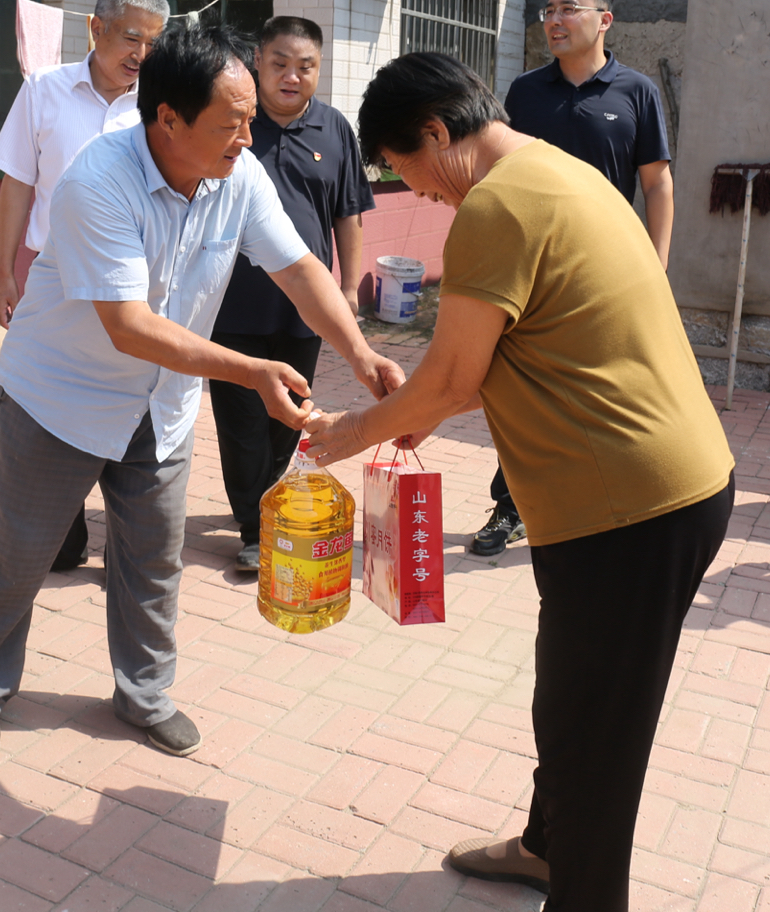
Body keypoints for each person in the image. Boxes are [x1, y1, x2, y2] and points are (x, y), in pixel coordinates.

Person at [303, 53, 734, 911]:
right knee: (569, 697)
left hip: (629, 512)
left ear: (437, 133)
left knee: (598, 736)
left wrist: (346, 434)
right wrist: (419, 405)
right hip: (640, 495)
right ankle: (546, 846)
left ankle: (583, 891)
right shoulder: (552, 169)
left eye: (409, 171)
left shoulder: (494, 207)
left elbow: (457, 377)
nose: (418, 193)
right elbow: (496, 356)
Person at [0, 24, 404, 762]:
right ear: (168, 119)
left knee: (154, 560)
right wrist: (250, 371)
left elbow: (299, 270)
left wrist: (361, 349)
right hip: (59, 399)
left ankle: (144, 694)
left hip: (160, 408)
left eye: (250, 119)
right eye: (231, 123)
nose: (247, 139)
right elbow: (128, 326)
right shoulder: (98, 181)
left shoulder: (236, 174)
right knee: (14, 557)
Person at [461, 0, 678, 557]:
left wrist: (655, 266)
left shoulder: (636, 92)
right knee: (517, 387)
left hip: (602, 273)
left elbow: (657, 185)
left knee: (599, 387)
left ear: (603, 20)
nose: (554, 21)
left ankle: (597, 503)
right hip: (527, 270)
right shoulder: (526, 92)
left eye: (568, 9)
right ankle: (511, 506)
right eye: (548, 11)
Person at [0, 0, 169, 573]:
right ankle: (60, 538)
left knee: (130, 413)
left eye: (152, 43)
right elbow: (17, 183)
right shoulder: (44, 91)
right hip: (53, 282)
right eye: (131, 38)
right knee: (47, 407)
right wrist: (4, 272)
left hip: (130, 287)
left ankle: (127, 544)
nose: (140, 55)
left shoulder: (156, 107)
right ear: (96, 29)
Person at [209, 16, 373, 573]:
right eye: (279, 64)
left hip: (305, 306)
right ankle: (254, 527)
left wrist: (349, 287)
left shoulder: (334, 130)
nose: (291, 77)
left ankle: (270, 502)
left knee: (291, 415)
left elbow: (348, 215)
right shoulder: (234, 121)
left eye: (305, 67)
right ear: (258, 60)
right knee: (239, 419)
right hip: (231, 302)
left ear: (319, 71)